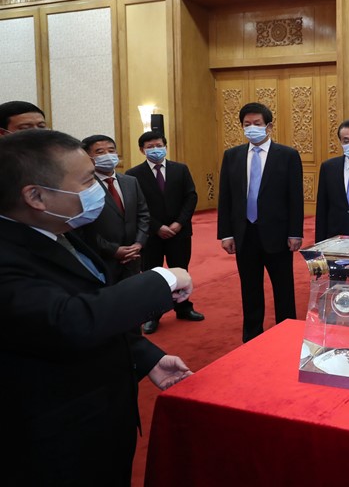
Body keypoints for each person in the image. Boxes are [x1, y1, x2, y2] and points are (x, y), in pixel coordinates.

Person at [0, 129, 193, 486]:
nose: (98, 190)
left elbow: (87, 298)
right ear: (36, 196)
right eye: (88, 181)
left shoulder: (60, 229)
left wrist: (145, 357)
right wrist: (162, 279)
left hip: (104, 417)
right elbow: (66, 319)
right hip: (55, 439)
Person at [218, 102, 303, 342]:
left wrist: (295, 232)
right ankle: (252, 336)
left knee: (283, 288)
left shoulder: (287, 155)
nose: (251, 128)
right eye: (247, 124)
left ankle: (287, 333)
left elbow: (295, 197)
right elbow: (226, 197)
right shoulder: (232, 156)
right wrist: (226, 233)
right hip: (244, 233)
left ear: (269, 126)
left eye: (257, 123)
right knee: (250, 289)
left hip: (278, 234)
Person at [126, 130, 204, 334]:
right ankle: (153, 314)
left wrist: (179, 223)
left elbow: (191, 197)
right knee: (152, 273)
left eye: (159, 145)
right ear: (142, 150)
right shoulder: (133, 175)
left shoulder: (180, 169)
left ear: (166, 146)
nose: (155, 149)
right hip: (151, 235)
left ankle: (183, 308)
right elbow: (137, 205)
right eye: (150, 147)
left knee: (181, 269)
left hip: (180, 232)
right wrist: (157, 227)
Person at [78, 134, 149, 284]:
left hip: (133, 256)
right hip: (102, 258)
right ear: (87, 157)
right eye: (100, 152)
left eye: (111, 150)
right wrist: (113, 250)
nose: (108, 155)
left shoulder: (131, 181)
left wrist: (138, 243)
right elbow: (81, 226)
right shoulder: (82, 186)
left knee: (134, 293)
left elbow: (143, 214)